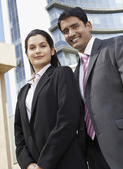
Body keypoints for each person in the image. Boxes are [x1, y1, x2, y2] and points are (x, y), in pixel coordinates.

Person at [58, 7, 123, 169]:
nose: (71, 33)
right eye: (66, 31)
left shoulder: (117, 45)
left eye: (75, 26)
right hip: (95, 155)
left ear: (88, 25)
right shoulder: (76, 72)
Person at [14, 29, 88, 169]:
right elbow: (19, 134)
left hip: (66, 163)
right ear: (26, 54)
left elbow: (67, 120)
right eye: (32, 48)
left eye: (43, 46)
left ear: (52, 50)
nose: (37, 51)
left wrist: (43, 164)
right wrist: (29, 164)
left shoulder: (62, 74)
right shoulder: (23, 91)